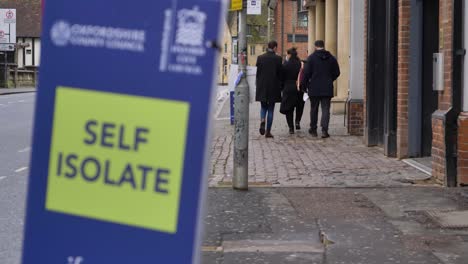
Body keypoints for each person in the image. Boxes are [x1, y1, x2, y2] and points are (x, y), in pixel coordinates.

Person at [301, 40, 340, 138]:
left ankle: (313, 129)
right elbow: (337, 72)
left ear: (315, 47)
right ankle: (324, 130)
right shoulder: (331, 58)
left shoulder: (311, 58)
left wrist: (304, 86)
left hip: (314, 87)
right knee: (326, 109)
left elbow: (306, 73)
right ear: (323, 46)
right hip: (327, 87)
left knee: (314, 109)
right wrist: (330, 79)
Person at [255, 40, 283, 138]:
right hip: (273, 87)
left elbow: (258, 74)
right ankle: (268, 132)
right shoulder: (278, 59)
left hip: (262, 86)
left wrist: (257, 84)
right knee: (271, 109)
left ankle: (262, 120)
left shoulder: (260, 58)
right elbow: (280, 74)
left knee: (263, 107)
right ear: (275, 47)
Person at [280, 48, 303, 134]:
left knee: (289, 109)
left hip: (288, 88)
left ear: (289, 55)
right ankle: (297, 121)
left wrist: (282, 88)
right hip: (299, 88)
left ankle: (291, 127)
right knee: (299, 106)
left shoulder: (285, 65)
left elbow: (281, 78)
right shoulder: (300, 64)